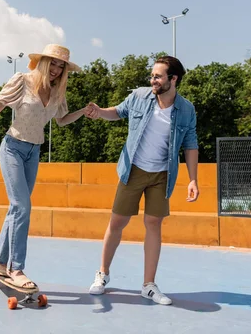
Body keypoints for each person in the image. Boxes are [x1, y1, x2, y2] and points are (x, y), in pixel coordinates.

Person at [0, 44, 85, 290]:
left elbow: (62, 121)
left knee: (17, 208)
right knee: (22, 206)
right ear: (42, 62)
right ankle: (16, 268)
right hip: (12, 148)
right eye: (52, 63)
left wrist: (83, 111)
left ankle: (0, 263)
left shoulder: (57, 92)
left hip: (34, 153)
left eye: (60, 66)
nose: (55, 69)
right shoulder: (22, 80)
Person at [84, 55, 199, 305]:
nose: (152, 80)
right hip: (133, 168)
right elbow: (118, 112)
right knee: (118, 222)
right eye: (152, 76)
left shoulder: (186, 109)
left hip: (162, 174)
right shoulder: (139, 96)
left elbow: (190, 144)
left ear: (173, 79)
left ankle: (148, 285)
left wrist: (193, 179)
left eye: (158, 76)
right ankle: (102, 274)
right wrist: (100, 112)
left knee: (154, 223)